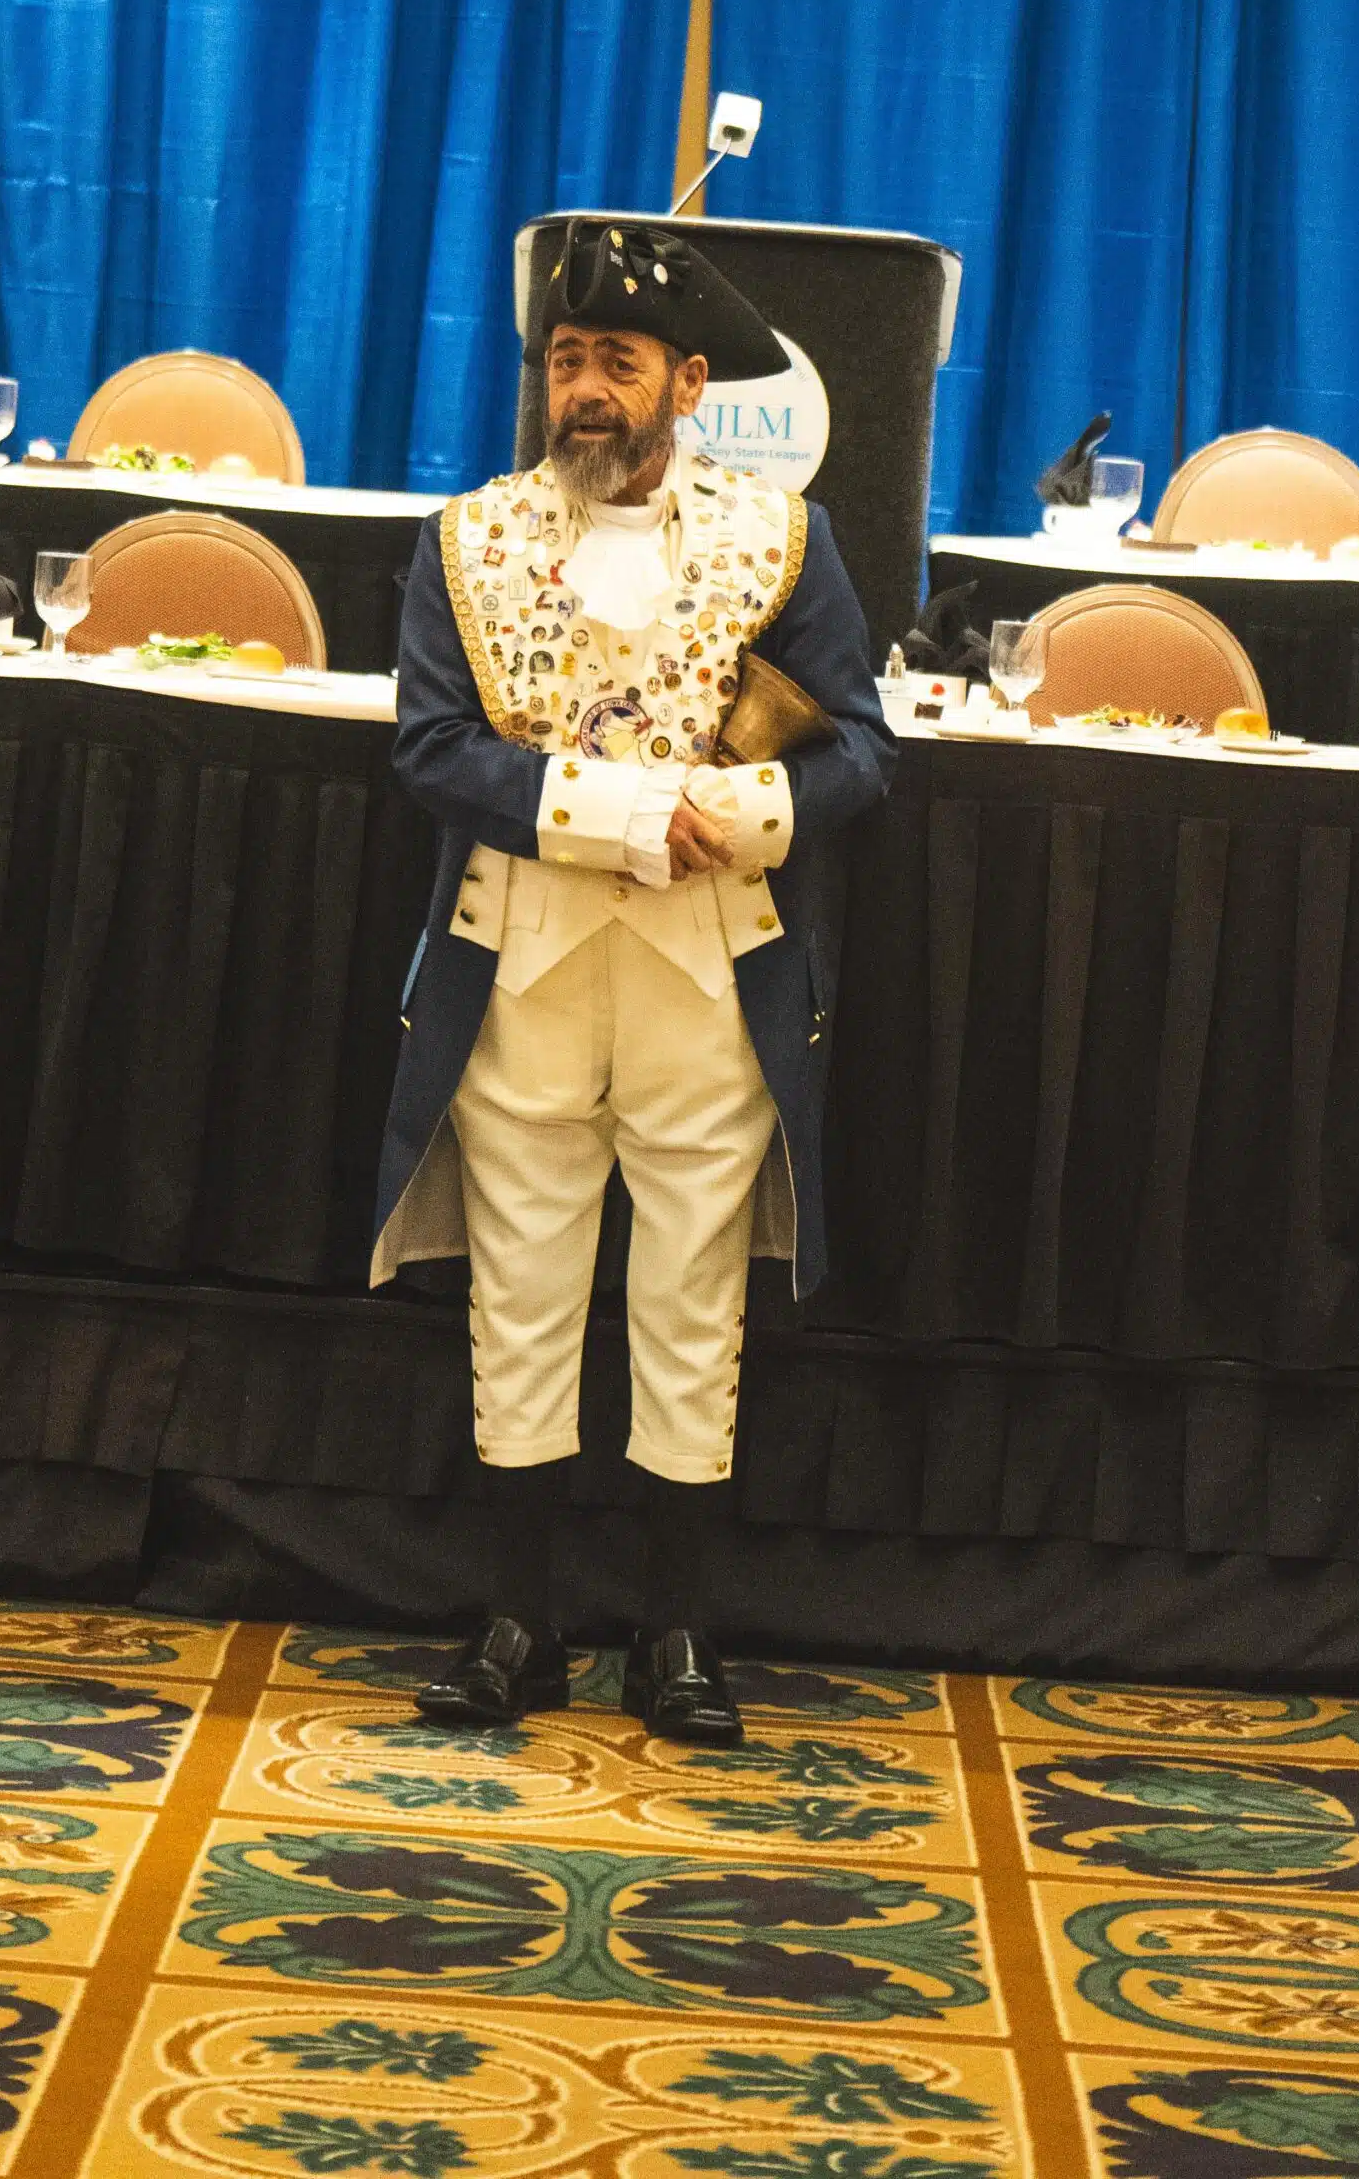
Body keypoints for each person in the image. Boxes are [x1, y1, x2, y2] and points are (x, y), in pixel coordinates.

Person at [374, 217, 895, 1740]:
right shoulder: (461, 542)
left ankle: (676, 1634)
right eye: (564, 359)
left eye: (617, 361)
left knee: (688, 1300)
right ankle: (519, 1627)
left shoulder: (783, 537)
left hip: (707, 970)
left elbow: (862, 747)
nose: (585, 390)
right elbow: (428, 747)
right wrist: (615, 815)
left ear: (688, 380)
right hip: (523, 964)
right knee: (521, 1295)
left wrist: (745, 813)